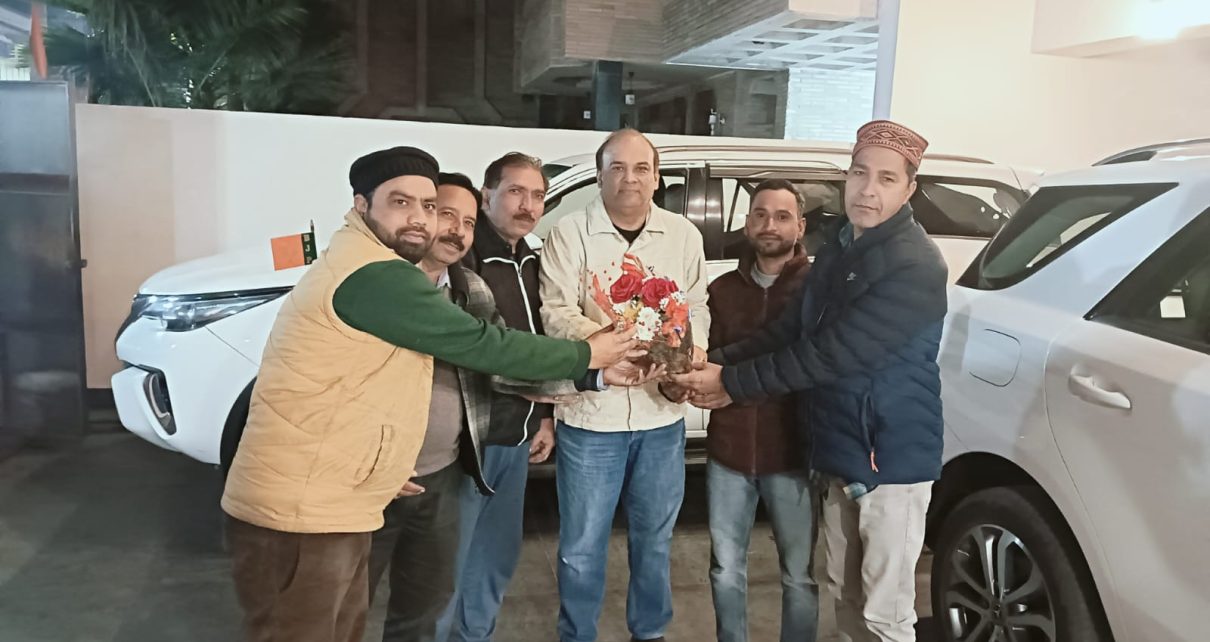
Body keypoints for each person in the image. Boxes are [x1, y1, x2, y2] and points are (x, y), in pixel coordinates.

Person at [221, 147, 636, 642]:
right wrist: (587, 356)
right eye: (401, 203)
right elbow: (485, 346)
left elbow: (375, 384)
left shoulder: (394, 267)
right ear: (361, 205)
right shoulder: (375, 274)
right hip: (302, 509)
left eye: (426, 205)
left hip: (342, 492)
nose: (420, 219)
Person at [672, 120, 947, 642]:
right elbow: (793, 331)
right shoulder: (841, 246)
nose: (868, 189)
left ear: (909, 189)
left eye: (887, 178)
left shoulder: (913, 264)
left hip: (890, 458)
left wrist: (731, 383)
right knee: (845, 595)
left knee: (885, 615)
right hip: (842, 451)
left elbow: (828, 354)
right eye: (859, 173)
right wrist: (715, 364)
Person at [539, 128, 711, 642]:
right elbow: (555, 311)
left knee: (654, 541)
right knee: (581, 546)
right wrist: (616, 348)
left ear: (657, 178)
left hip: (661, 418)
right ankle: (577, 634)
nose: (629, 178)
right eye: (617, 167)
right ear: (599, 176)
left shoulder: (683, 235)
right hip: (593, 417)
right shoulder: (570, 232)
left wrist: (689, 350)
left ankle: (650, 631)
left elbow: (696, 304)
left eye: (640, 168)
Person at [440, 153, 554, 642]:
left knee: (497, 553)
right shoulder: (463, 259)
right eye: (515, 192)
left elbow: (541, 339)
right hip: (471, 437)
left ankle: (475, 634)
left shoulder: (532, 258)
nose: (527, 205)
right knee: (451, 559)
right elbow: (484, 351)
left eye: (537, 195)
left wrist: (543, 415)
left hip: (517, 434)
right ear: (487, 196)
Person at [700, 179, 818, 642]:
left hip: (792, 453)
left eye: (782, 216)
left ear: (800, 226)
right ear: (747, 223)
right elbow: (705, 360)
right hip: (727, 453)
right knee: (725, 568)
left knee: (799, 574)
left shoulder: (816, 289)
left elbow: (808, 366)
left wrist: (733, 386)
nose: (770, 225)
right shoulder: (721, 290)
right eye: (760, 215)